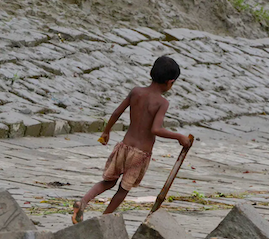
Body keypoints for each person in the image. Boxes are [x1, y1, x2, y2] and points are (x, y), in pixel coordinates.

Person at [71, 56, 192, 224]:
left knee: (108, 182)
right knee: (123, 189)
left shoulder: (136, 92)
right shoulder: (162, 103)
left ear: (151, 73)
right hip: (139, 154)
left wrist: (106, 132)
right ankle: (104, 219)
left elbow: (116, 113)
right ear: (170, 82)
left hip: (123, 147)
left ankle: (83, 202)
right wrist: (179, 136)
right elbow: (155, 129)